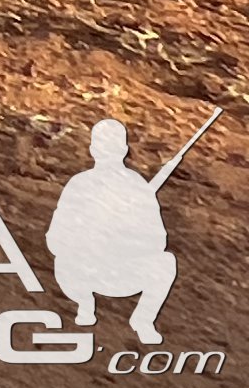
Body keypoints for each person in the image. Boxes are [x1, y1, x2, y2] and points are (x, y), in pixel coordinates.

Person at [47, 118, 181, 345]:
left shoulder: (85, 183)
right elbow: (158, 242)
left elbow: (55, 238)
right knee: (166, 262)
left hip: (107, 272)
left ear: (92, 150)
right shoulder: (93, 184)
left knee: (165, 261)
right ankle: (89, 305)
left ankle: (135, 319)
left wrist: (122, 239)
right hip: (91, 271)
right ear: (125, 150)